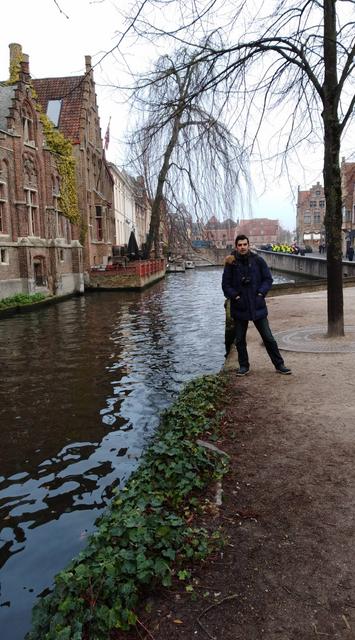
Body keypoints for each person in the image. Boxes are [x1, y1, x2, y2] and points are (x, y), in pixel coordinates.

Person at [222, 234, 292, 376]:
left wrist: (260, 294)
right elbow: (225, 285)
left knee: (268, 337)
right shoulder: (230, 263)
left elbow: (268, 279)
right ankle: (244, 366)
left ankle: (279, 364)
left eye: (244, 244)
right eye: (240, 245)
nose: (242, 247)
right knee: (240, 339)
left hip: (257, 305)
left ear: (248, 245)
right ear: (236, 246)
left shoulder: (258, 261)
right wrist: (235, 296)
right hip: (240, 306)